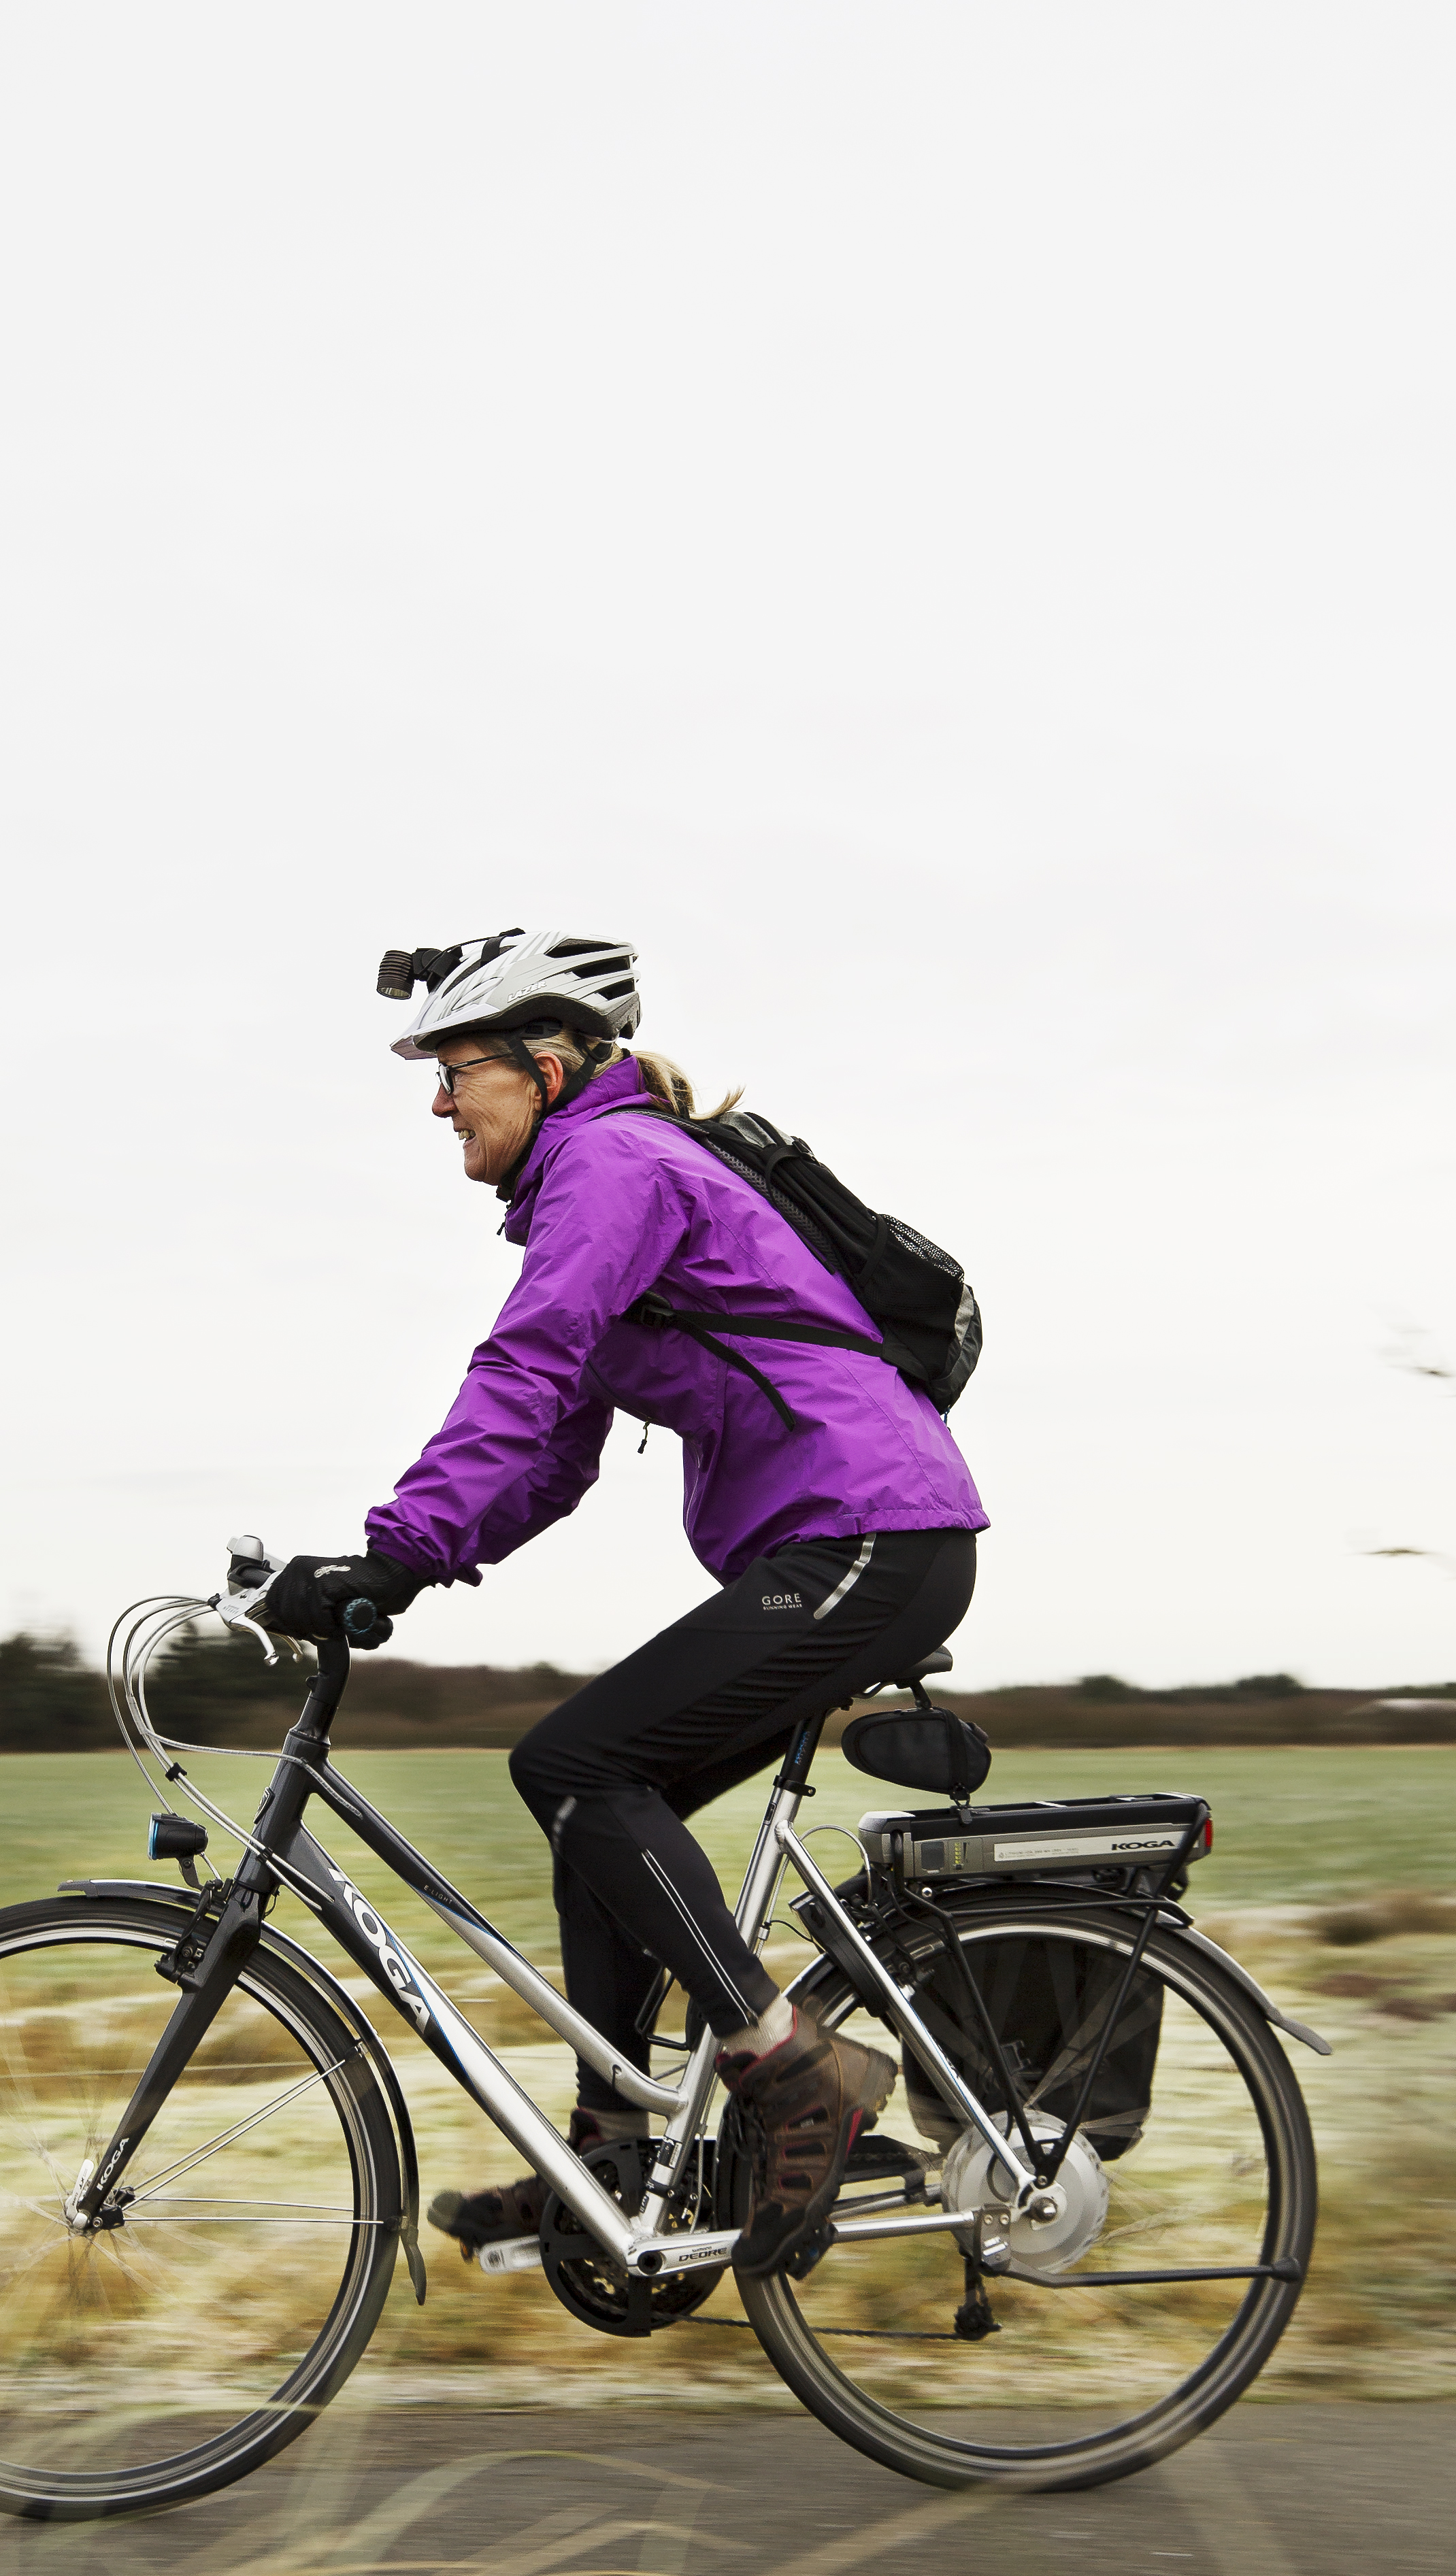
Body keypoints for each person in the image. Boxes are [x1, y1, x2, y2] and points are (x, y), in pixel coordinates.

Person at [254, 931, 985, 2277]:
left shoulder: (614, 1166)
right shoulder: (614, 1175)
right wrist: (409, 1569)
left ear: (543, 1065)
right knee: (598, 1815)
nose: (436, 1102)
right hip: (857, 1535)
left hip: (873, 1531)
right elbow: (551, 1450)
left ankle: (793, 2074)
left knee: (578, 1765)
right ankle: (613, 2160)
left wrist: (398, 1543)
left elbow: (526, 1363)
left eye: (452, 1069)